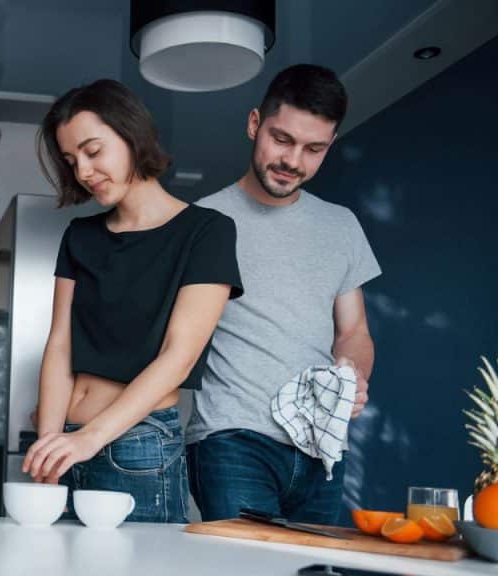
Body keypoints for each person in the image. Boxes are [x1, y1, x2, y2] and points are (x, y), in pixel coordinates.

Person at [22, 79, 244, 523]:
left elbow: (178, 358)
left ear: (131, 135)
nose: (82, 171)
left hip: (137, 446)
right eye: (71, 160)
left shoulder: (207, 232)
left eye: (92, 150)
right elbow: (60, 345)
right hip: (65, 438)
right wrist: (50, 440)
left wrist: (89, 439)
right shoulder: (80, 236)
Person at [186, 64, 381, 524]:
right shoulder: (202, 221)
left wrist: (351, 376)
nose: (294, 161)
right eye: (282, 140)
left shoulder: (342, 226)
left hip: (324, 447)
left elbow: (353, 330)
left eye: (314, 149)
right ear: (255, 124)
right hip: (232, 438)